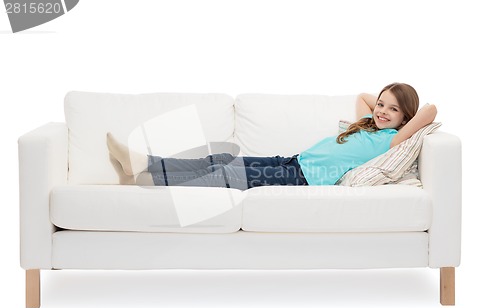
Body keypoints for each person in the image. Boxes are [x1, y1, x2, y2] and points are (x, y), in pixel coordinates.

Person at [107, 83, 437, 190]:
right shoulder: (366, 123)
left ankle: (154, 178)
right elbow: (364, 97)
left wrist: (403, 116)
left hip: (304, 178)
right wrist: (379, 104)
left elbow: (430, 111)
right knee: (222, 160)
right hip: (292, 161)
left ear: (404, 118)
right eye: (382, 104)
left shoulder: (392, 139)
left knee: (227, 174)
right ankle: (143, 163)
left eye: (392, 110)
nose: (381, 111)